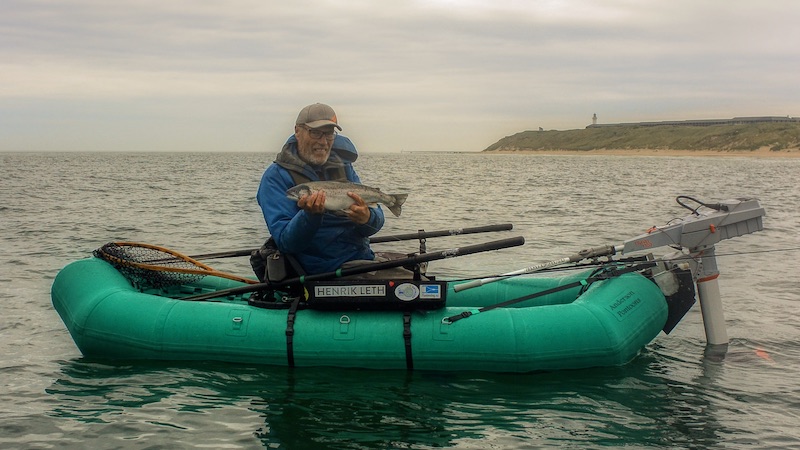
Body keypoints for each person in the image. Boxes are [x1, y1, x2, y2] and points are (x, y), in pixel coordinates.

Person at [256, 103, 412, 279]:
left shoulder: (343, 166)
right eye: (315, 132)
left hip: (360, 260)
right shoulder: (275, 177)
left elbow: (375, 221)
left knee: (417, 273)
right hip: (321, 272)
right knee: (411, 288)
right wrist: (310, 216)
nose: (323, 141)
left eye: (329, 134)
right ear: (297, 131)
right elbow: (286, 243)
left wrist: (367, 218)